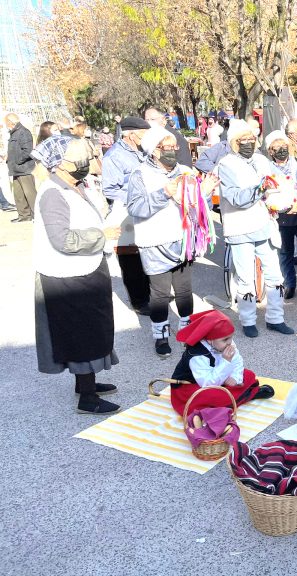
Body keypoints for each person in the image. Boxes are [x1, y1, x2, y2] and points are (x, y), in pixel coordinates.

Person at [32, 135, 121, 414]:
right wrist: (101, 235)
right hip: (69, 277)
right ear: (59, 164)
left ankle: (85, 384)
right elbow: (62, 239)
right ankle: (88, 399)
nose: (86, 162)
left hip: (85, 269)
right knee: (83, 335)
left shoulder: (75, 186)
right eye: (79, 158)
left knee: (92, 332)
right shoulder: (53, 194)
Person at [126, 126, 218, 357]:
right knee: (160, 294)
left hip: (183, 239)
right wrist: (163, 193)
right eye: (165, 147)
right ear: (153, 151)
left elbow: (195, 204)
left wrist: (204, 192)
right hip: (156, 242)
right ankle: (161, 336)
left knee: (185, 290)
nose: (171, 151)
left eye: (173, 146)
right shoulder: (140, 175)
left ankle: (188, 331)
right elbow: (136, 207)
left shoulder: (185, 171)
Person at [217, 119, 295, 338]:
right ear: (234, 142)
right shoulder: (225, 164)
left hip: (264, 224)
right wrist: (260, 188)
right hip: (239, 227)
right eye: (243, 140)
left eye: (252, 139)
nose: (249, 143)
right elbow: (234, 198)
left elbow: (276, 186)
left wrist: (285, 199)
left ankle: (275, 318)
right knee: (245, 278)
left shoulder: (261, 160)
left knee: (274, 274)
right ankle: (248, 320)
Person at [169, 310, 274, 415]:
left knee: (248, 374)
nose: (230, 342)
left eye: (231, 337)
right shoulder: (197, 355)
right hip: (191, 386)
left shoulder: (223, 341)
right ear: (210, 340)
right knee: (212, 396)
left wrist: (235, 378)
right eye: (225, 340)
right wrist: (226, 362)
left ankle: (239, 396)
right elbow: (207, 383)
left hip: (217, 375)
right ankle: (249, 394)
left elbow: (237, 361)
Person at [101, 116, 152, 315]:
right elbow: (110, 189)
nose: (145, 138)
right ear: (130, 134)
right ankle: (139, 301)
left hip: (146, 209)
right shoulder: (114, 156)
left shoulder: (143, 152)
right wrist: (136, 196)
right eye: (142, 134)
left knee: (147, 252)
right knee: (131, 259)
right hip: (126, 210)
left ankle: (150, 292)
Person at [264, 130, 297, 300]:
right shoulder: (266, 168)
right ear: (270, 151)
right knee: (285, 252)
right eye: (276, 147)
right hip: (280, 216)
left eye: (283, 146)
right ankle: (290, 283)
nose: (281, 150)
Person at [5, 113, 37, 223]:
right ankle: (24, 216)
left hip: (24, 169)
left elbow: (27, 151)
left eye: (6, 123)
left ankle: (37, 216)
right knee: (19, 195)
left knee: (30, 194)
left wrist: (17, 161)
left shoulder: (23, 132)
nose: (6, 125)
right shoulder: (14, 133)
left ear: (10, 122)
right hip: (16, 169)